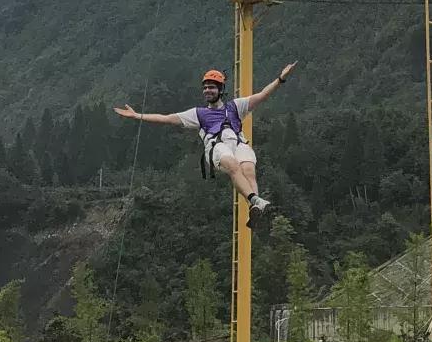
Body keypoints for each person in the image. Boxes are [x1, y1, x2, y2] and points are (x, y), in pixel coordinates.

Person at [114, 62, 297, 228]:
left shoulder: (235, 106)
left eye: (211, 87)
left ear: (220, 90)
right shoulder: (198, 113)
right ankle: (255, 200)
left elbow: (262, 95)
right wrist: (137, 115)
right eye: (205, 88)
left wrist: (280, 79)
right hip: (217, 146)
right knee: (233, 164)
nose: (207, 91)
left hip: (238, 142)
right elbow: (166, 118)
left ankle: (255, 206)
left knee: (248, 168)